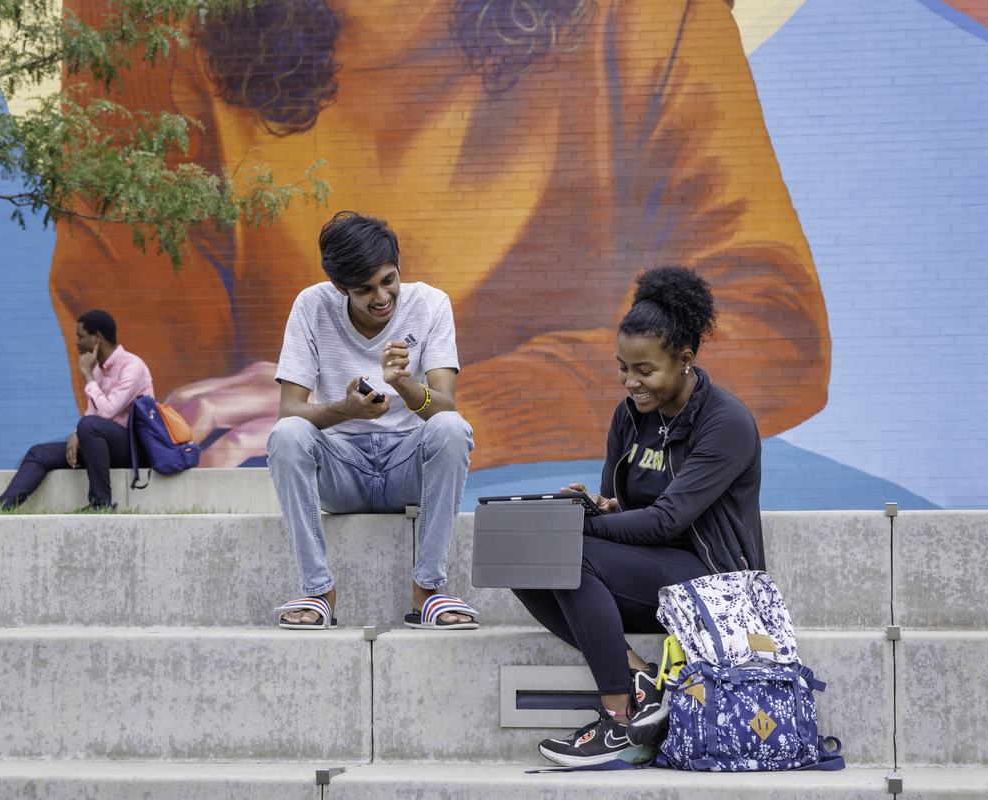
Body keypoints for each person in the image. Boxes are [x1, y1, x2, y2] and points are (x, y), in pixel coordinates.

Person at [49, 0, 829, 471]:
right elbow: (178, 418)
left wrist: (434, 414)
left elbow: (768, 328)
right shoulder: (140, 25)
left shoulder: (638, 21)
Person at [514, 265, 764, 767]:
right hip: (653, 572)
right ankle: (640, 679)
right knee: (523, 555)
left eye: (645, 370)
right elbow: (622, 503)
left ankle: (619, 720)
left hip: (715, 586)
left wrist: (586, 527)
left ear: (685, 360)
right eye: (623, 367)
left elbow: (668, 519)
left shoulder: (725, 422)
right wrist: (601, 508)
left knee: (569, 552)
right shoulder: (630, 415)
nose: (631, 382)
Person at [266, 211, 477, 630]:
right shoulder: (312, 306)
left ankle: (428, 593)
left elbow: (446, 408)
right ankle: (318, 591)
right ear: (340, 287)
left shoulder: (431, 303)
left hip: (407, 466)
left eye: (389, 280)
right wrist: (346, 409)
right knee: (286, 435)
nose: (382, 297)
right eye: (365, 290)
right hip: (342, 470)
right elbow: (289, 411)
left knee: (454, 430)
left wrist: (403, 384)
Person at [0, 310, 154, 511]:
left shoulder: (132, 366)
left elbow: (105, 412)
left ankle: (101, 504)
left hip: (132, 448)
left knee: (88, 426)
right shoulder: (99, 370)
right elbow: (93, 415)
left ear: (97, 338)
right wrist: (78, 434)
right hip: (101, 446)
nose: (76, 341)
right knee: (39, 453)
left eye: (80, 336)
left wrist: (86, 374)